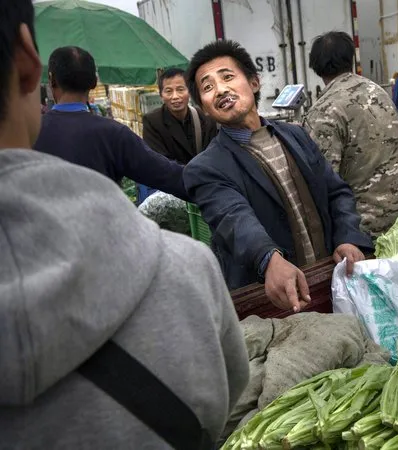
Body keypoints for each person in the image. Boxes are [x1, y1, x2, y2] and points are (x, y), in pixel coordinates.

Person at [0, 2, 249, 446]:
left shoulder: (53, 135)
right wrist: (228, 176)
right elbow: (175, 178)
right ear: (28, 66)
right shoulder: (186, 272)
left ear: (50, 84)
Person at [183, 40, 373, 311]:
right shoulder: (206, 168)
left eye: (227, 77)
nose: (220, 89)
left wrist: (348, 237)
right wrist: (269, 259)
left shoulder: (295, 135)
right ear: (204, 107)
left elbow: (336, 192)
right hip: (274, 302)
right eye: (207, 86)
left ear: (254, 83)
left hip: (330, 282)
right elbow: (234, 218)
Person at [303, 31, 398, 238]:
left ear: (316, 66)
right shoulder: (378, 91)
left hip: (371, 230)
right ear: (351, 59)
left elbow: (322, 183)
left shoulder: (323, 111)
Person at [33, 46, 189, 200]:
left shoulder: (30, 132)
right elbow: (168, 175)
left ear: (52, 80)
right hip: (102, 224)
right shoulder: (114, 134)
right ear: (94, 82)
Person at [143, 67, 218, 165]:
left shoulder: (205, 117)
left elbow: (213, 153)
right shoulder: (152, 121)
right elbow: (158, 162)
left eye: (180, 89)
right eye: (169, 91)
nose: (175, 96)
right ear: (161, 95)